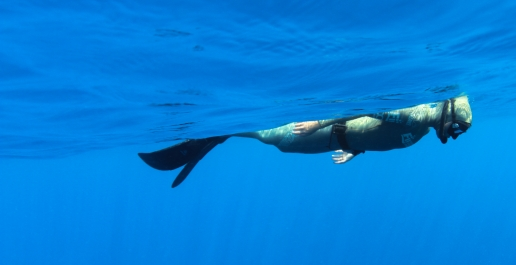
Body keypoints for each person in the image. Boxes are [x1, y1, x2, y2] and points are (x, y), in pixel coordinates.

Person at [138, 95, 472, 187]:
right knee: (269, 135)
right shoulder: (413, 119)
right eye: (455, 126)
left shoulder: (417, 134)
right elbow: (366, 107)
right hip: (323, 133)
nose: (451, 133)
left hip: (328, 142)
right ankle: (207, 137)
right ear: (448, 114)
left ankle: (210, 139)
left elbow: (377, 135)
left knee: (272, 140)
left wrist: (354, 151)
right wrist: (319, 121)